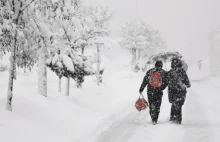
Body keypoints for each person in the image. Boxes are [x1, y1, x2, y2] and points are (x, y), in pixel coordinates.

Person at [139, 60, 167, 125]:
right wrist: (162, 87)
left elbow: (145, 81)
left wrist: (141, 89)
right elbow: (166, 82)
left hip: (150, 91)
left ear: (155, 64)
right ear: (161, 65)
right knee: (158, 105)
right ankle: (155, 119)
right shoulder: (163, 72)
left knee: (151, 104)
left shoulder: (150, 71)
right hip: (159, 91)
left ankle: (152, 117)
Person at [167, 58, 191, 124]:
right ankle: (178, 119)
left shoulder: (170, 71)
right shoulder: (182, 71)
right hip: (181, 91)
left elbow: (166, 81)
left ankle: (172, 117)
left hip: (172, 91)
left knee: (173, 103)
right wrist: (188, 85)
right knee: (179, 105)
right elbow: (187, 82)